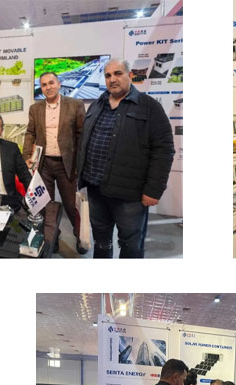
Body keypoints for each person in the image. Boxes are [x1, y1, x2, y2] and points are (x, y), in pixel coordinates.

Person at [76, 58, 175, 258]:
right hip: (95, 189)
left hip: (129, 194)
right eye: (108, 75)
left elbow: (164, 150)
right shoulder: (96, 105)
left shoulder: (149, 107)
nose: (112, 79)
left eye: (118, 73)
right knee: (101, 240)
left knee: (131, 244)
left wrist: (153, 190)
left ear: (130, 75)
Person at [25, 71, 87, 252]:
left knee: (71, 204)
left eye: (51, 83)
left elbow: (82, 135)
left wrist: (80, 163)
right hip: (44, 164)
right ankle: (52, 237)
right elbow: (30, 133)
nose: (48, 87)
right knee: (46, 205)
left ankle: (80, 236)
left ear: (59, 84)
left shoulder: (75, 105)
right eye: (44, 85)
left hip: (66, 164)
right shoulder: (35, 109)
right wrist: (27, 156)